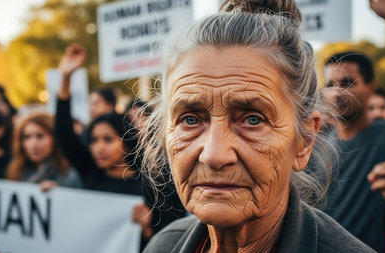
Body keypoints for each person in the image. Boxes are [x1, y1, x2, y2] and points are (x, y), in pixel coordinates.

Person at [141, 1, 373, 252]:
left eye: (253, 119)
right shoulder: (164, 245)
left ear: (304, 141)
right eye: (190, 120)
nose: (214, 155)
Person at [54, 44, 186, 249]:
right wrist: (65, 79)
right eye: (94, 140)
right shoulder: (91, 174)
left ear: (126, 142)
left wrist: (147, 229)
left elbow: (173, 239)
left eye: (108, 140)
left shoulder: (153, 186)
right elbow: (64, 134)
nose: (99, 148)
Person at [322, 51, 385, 252]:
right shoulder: (314, 152)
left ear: (371, 88)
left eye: (347, 83)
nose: (337, 93)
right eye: (330, 85)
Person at [6, 112, 83, 191]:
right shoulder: (16, 171)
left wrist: (59, 193)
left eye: (40, 136)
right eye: (27, 137)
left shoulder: (68, 176)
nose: (33, 144)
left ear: (55, 139)